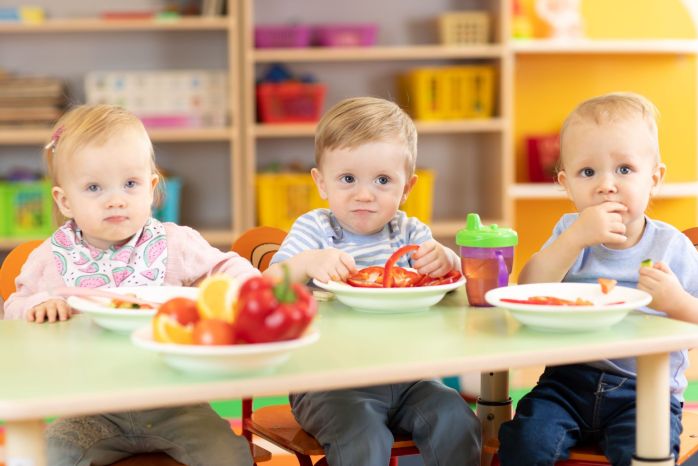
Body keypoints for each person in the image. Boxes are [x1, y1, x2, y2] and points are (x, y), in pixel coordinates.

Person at [4, 104, 259, 466]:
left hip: (177, 403)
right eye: (94, 187)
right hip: (89, 409)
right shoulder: (50, 258)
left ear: (152, 187)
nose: (115, 199)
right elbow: (14, 307)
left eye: (130, 184)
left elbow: (229, 267)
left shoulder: (175, 244)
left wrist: (247, 288)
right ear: (65, 201)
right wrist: (36, 305)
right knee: (42, 456)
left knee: (229, 455)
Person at [265, 96, 481, 466]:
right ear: (321, 182)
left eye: (382, 180)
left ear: (407, 188)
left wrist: (448, 261)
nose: (364, 194)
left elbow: (459, 292)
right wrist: (307, 262)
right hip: (329, 384)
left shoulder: (409, 231)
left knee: (457, 419)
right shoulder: (315, 229)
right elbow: (267, 288)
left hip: (411, 376)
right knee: (363, 436)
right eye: (348, 179)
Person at [498, 92, 698, 466]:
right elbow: (526, 288)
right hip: (565, 384)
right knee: (525, 442)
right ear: (566, 183)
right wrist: (574, 239)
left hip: (647, 393)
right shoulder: (568, 232)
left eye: (624, 169)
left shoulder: (671, 245)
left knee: (641, 453)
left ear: (654, 178)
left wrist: (675, 301)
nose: (606, 185)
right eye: (587, 173)